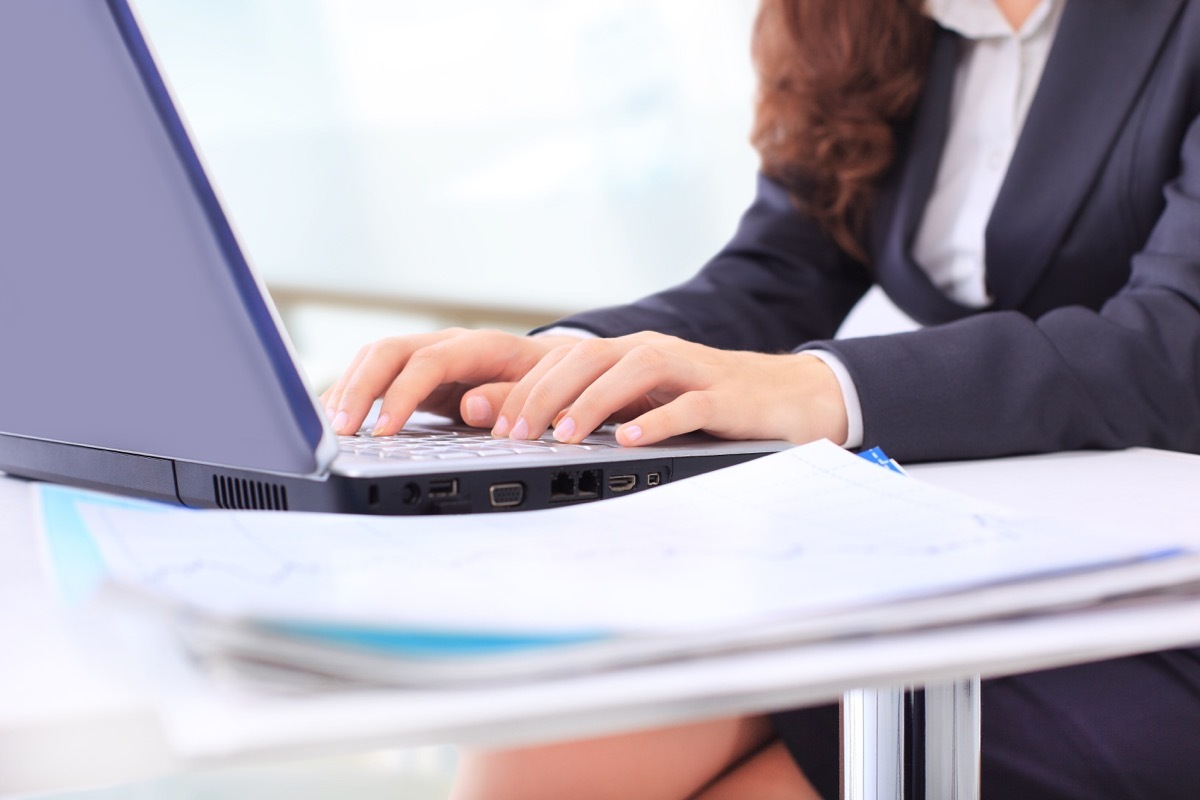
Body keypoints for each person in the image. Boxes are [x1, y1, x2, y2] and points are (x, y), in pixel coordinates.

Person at [322, 0, 1200, 796]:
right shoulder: (862, 20)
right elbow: (784, 267)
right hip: (974, 545)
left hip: (1157, 597)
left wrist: (815, 386)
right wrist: (564, 363)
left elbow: (1175, 338)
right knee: (552, 748)